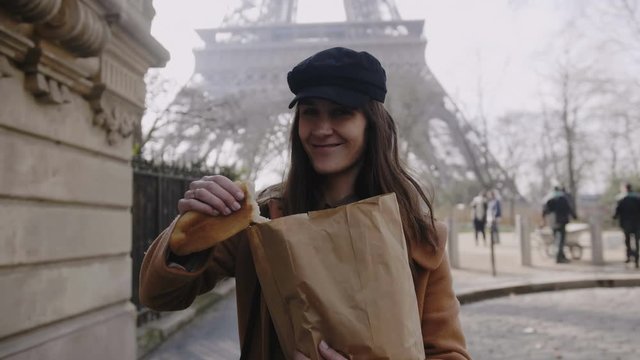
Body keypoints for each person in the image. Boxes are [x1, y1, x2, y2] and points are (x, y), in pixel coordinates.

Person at [139, 47, 470, 359]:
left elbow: (448, 354)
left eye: (341, 113)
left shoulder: (417, 236)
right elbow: (160, 296)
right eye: (310, 113)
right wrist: (192, 230)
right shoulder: (261, 219)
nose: (322, 128)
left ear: (372, 125)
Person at [542, 185, 578, 263]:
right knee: (561, 240)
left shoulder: (549, 198)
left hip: (552, 221)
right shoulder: (563, 198)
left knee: (556, 239)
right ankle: (559, 257)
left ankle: (560, 255)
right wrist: (574, 216)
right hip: (561, 221)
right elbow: (568, 209)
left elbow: (544, 211)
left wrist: (544, 221)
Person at [613, 183, 640, 268]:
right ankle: (636, 259)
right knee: (636, 241)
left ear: (625, 189)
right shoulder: (638, 198)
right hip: (637, 222)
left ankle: (628, 256)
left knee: (627, 240)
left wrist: (614, 217)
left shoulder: (621, 199)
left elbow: (617, 212)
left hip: (626, 223)